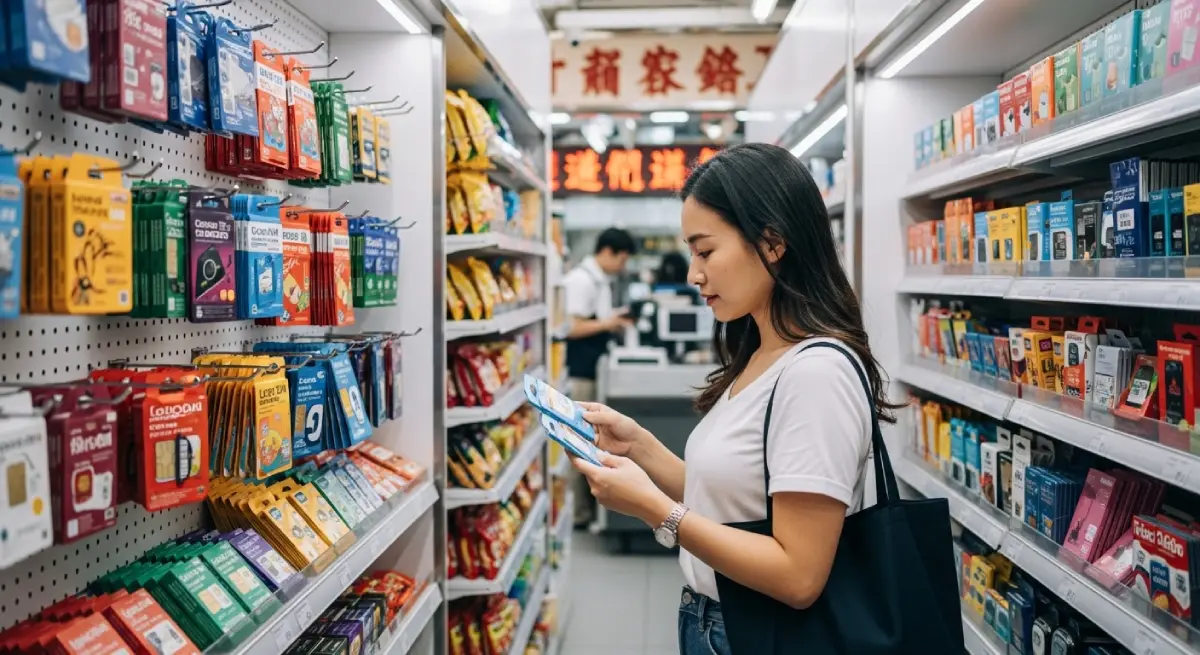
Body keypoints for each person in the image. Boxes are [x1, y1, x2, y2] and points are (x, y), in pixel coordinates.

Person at [571, 144, 903, 655]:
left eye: (705, 251)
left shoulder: (816, 373)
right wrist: (640, 447)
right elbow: (736, 498)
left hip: (762, 633)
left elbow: (798, 575)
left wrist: (657, 511)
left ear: (771, 243)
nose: (693, 274)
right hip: (718, 622)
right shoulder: (763, 354)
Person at [563, 227, 636, 526]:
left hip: (592, 370)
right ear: (607, 252)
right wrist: (608, 323)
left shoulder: (598, 280)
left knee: (589, 441)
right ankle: (579, 512)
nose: (623, 267)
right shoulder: (581, 281)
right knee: (579, 441)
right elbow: (570, 327)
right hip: (580, 374)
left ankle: (589, 510)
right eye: (622, 259)